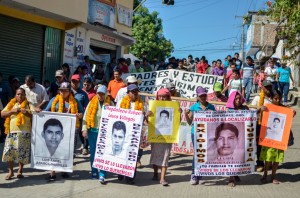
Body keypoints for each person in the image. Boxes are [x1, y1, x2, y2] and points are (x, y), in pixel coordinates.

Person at [44, 82, 84, 181]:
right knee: (54, 150)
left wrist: (79, 115)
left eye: (65, 91)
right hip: (56, 130)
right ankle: (52, 172)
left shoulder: (74, 101)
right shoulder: (54, 100)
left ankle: (64, 170)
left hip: (69, 130)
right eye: (61, 90)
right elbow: (46, 110)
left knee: (66, 151)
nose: (63, 93)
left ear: (69, 91)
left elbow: (82, 113)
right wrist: (38, 111)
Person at [260, 90, 296, 184]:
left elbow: (290, 117)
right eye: (275, 98)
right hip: (268, 138)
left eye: (279, 98)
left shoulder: (284, 108)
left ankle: (273, 177)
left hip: (280, 139)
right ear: (271, 99)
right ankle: (264, 175)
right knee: (268, 159)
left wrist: (293, 112)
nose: (277, 100)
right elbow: (258, 115)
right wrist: (260, 109)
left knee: (276, 160)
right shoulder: (267, 107)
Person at [147, 88, 181, 186]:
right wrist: (147, 115)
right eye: (160, 96)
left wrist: (179, 113)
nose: (162, 98)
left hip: (167, 137)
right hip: (156, 136)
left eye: (164, 96)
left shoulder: (173, 107)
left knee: (165, 157)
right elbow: (147, 122)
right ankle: (155, 174)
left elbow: (177, 122)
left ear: (168, 97)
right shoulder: (153, 106)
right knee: (155, 155)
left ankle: (163, 178)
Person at [185, 86, 216, 185]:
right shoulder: (194, 107)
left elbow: (216, 122)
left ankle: (200, 174)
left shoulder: (211, 107)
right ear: (197, 97)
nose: (203, 97)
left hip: (207, 133)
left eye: (204, 95)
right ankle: (194, 175)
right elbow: (190, 122)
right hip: (196, 133)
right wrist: (186, 114)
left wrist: (213, 115)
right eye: (201, 96)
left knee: (204, 154)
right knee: (196, 154)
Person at [1, 88, 34, 180]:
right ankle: (11, 172)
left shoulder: (28, 104)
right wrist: (12, 111)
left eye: (22, 94)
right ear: (15, 95)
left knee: (22, 153)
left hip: (25, 133)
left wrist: (26, 113)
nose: (20, 96)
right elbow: (2, 114)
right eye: (18, 94)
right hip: (12, 132)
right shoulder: (12, 103)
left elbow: (35, 115)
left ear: (25, 95)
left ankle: (20, 170)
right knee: (9, 152)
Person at [82, 85, 111, 183]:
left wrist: (110, 108)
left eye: (103, 94)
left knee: (103, 153)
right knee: (93, 152)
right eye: (99, 94)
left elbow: (116, 116)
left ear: (106, 94)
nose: (101, 96)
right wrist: (84, 129)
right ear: (97, 94)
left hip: (104, 132)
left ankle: (102, 174)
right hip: (92, 131)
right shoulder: (91, 103)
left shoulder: (110, 103)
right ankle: (94, 171)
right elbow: (85, 117)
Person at [116, 84, 145, 185]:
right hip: (123, 133)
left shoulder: (142, 104)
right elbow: (116, 116)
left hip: (135, 135)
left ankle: (130, 177)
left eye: (136, 91)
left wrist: (146, 115)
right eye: (133, 92)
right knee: (122, 154)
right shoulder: (120, 102)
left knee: (132, 155)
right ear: (128, 93)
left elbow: (144, 119)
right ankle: (120, 172)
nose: (135, 93)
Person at [250, 80, 274, 172]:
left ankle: (269, 162)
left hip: (271, 125)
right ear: (262, 88)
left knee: (270, 144)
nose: (268, 88)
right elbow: (251, 111)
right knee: (259, 145)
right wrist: (259, 109)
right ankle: (260, 164)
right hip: (260, 125)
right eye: (266, 87)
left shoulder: (274, 98)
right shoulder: (257, 98)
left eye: (269, 87)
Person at [71, 74, 89, 155]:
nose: (75, 83)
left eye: (76, 82)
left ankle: (85, 147)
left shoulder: (83, 94)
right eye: (73, 81)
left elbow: (87, 107)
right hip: (69, 117)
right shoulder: (67, 91)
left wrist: (83, 115)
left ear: (79, 83)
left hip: (80, 117)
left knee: (81, 134)